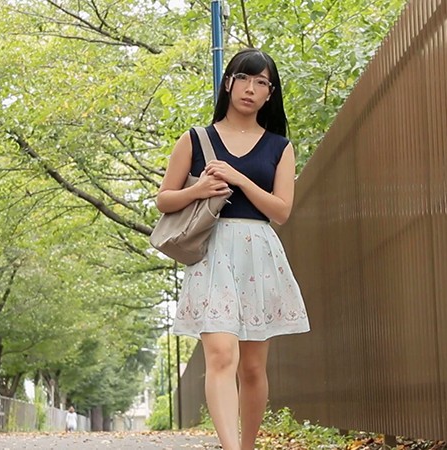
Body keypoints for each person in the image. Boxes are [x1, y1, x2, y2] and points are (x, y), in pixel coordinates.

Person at [156, 48, 310, 450]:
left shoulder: (279, 146)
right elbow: (164, 200)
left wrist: (240, 179)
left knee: (254, 367)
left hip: (258, 254)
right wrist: (199, 190)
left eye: (261, 82)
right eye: (244, 78)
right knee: (222, 355)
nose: (251, 89)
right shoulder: (196, 139)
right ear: (228, 83)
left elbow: (281, 210)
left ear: (270, 93)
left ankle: (247, 445)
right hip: (212, 253)